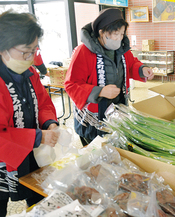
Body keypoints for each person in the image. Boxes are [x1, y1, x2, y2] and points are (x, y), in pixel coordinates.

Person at [64, 8, 154, 146]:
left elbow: (131, 64)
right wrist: (100, 91)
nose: (119, 39)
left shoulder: (121, 48)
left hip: (117, 111)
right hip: (92, 118)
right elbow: (72, 84)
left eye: (122, 34)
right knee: (96, 157)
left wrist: (142, 70)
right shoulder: (83, 51)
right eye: (115, 34)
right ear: (102, 32)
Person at [0, 11, 60, 216]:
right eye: (25, 51)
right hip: (4, 161)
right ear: (3, 47)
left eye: (34, 51)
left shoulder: (30, 73)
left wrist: (49, 123)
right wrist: (38, 136)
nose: (30, 58)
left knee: (39, 197)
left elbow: (43, 102)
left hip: (29, 154)